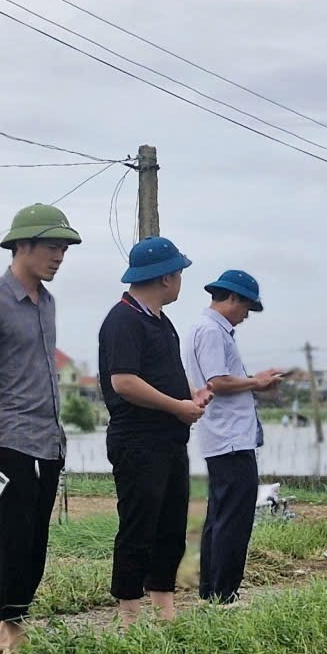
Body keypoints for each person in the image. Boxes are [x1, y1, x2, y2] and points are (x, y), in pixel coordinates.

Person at [0, 202, 81, 654]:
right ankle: (8, 632)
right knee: (11, 535)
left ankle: (16, 623)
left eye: (64, 250)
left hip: (46, 441)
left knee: (36, 539)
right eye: (52, 248)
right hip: (8, 442)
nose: (59, 257)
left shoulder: (46, 303)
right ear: (22, 246)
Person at [97, 235, 209, 623]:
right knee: (139, 524)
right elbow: (123, 382)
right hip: (138, 441)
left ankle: (164, 608)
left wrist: (189, 396)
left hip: (169, 439)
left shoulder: (162, 322)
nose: (180, 282)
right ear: (166, 277)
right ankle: (129, 612)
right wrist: (176, 406)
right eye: (179, 274)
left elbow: (159, 377)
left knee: (171, 525)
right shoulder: (123, 319)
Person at [181, 268, 283, 605]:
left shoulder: (209, 328)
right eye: (246, 308)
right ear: (233, 298)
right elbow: (217, 382)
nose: (245, 316)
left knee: (220, 516)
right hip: (230, 439)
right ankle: (224, 594)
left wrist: (254, 381)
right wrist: (256, 382)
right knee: (234, 519)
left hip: (225, 436)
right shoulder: (212, 331)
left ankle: (212, 591)